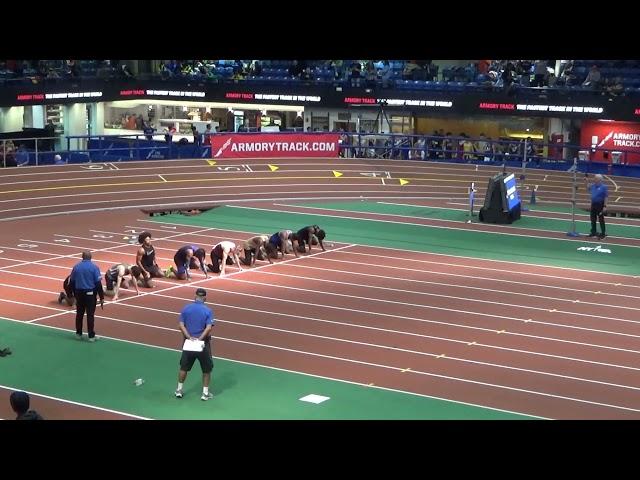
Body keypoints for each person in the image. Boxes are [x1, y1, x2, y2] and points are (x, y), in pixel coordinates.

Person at [175, 288, 215, 401]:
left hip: (188, 344)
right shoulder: (208, 311)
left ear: (195, 296)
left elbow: (181, 325)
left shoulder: (186, 308)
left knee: (184, 367)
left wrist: (189, 337)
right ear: (205, 298)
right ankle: (205, 393)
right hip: (202, 345)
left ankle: (179, 390)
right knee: (206, 370)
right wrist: (199, 339)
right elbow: (208, 328)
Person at [70, 251, 104, 342]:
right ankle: (91, 336)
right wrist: (101, 297)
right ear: (91, 257)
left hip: (79, 293)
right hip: (90, 294)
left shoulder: (76, 267)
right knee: (90, 315)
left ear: (82, 257)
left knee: (79, 314)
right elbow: (98, 283)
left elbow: (72, 282)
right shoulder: (94, 267)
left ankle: (78, 334)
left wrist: (74, 294)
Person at [585, 173, 608, 239]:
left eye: (595, 178)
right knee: (593, 219)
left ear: (599, 179)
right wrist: (586, 181)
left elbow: (606, 197)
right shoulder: (593, 185)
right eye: (594, 178)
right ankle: (593, 232)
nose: (594, 179)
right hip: (593, 204)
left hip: (600, 205)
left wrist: (605, 206)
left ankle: (603, 233)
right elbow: (588, 188)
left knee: (601, 219)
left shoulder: (604, 187)